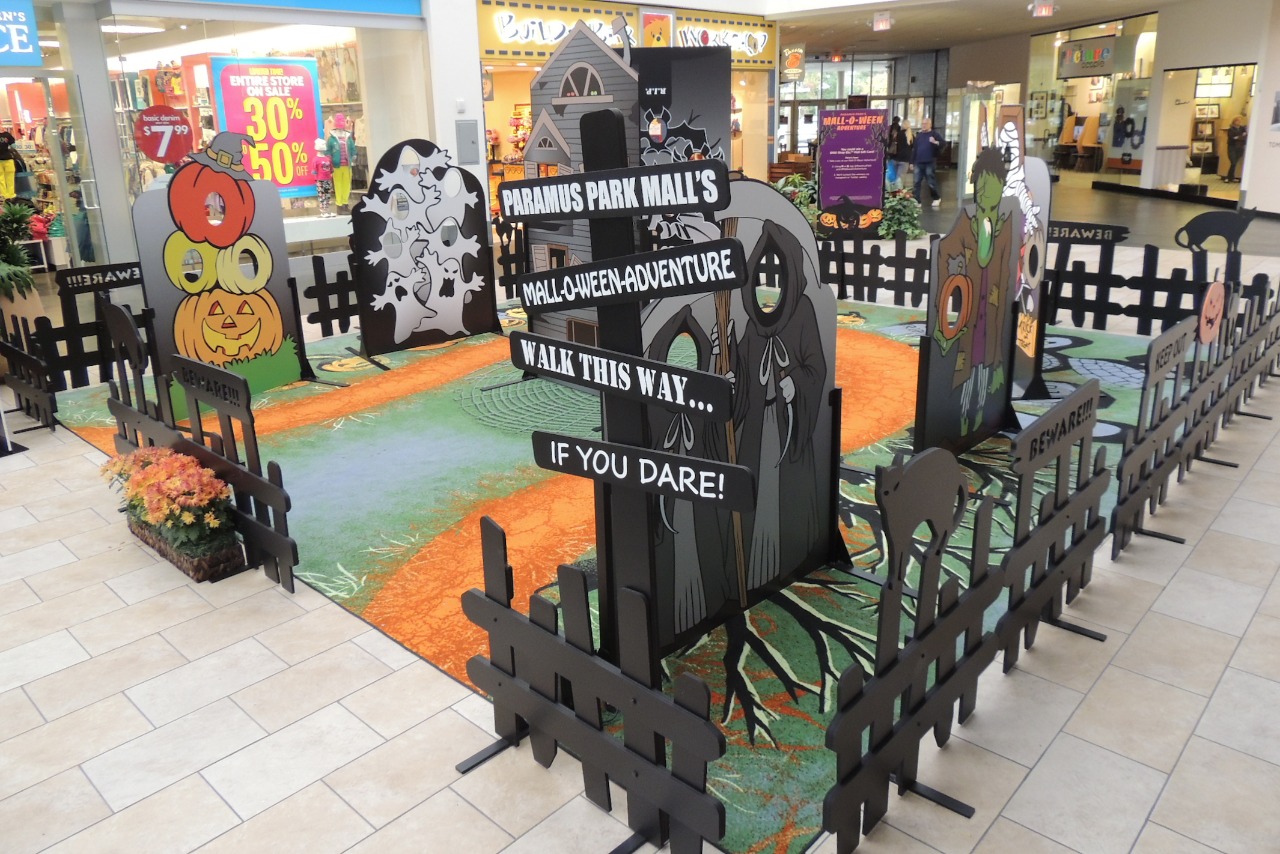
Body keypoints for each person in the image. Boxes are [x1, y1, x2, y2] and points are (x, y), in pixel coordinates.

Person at [912, 118, 944, 206]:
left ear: (930, 124)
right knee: (916, 181)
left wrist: (935, 142)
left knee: (930, 181)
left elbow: (943, 143)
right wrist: (912, 162)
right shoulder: (919, 135)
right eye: (922, 123)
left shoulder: (934, 134)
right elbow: (915, 149)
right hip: (918, 162)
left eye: (926, 123)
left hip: (930, 161)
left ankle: (936, 198)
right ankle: (916, 200)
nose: (924, 125)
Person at [1224, 116, 1247, 183]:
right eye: (1238, 121)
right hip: (1232, 147)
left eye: (1240, 121)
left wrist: (1239, 137)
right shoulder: (1231, 129)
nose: (1239, 122)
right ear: (1234, 121)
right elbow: (1232, 137)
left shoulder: (1243, 128)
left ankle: (1231, 177)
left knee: (1234, 163)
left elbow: (1244, 136)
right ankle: (1228, 177)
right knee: (1233, 162)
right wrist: (1240, 136)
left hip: (1240, 147)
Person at [0, 128, 16, 198]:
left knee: (1, 179)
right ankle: (11, 195)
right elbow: (13, 146)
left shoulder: (7, 134)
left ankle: (4, 196)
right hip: (8, 159)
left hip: (7, 160)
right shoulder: (7, 135)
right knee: (10, 178)